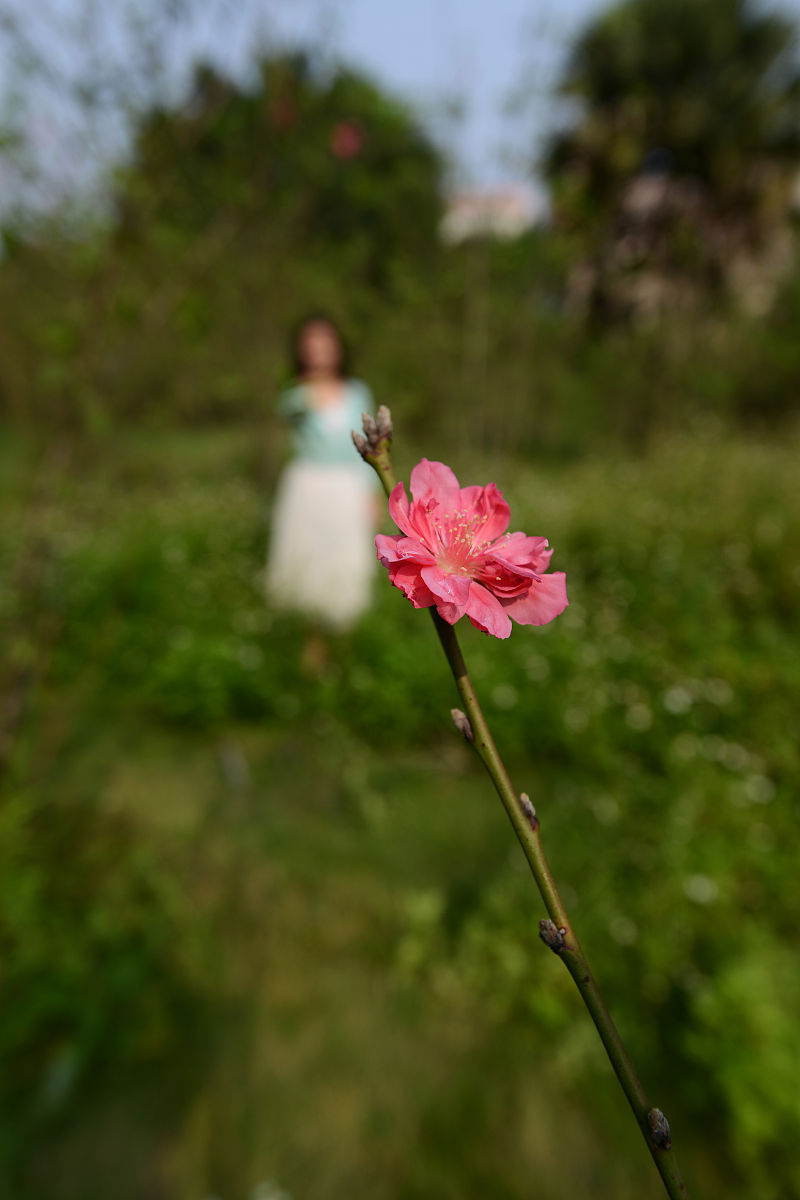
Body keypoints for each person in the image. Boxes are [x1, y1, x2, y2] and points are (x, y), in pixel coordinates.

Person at [265, 314, 378, 632]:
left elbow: (369, 447)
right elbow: (286, 409)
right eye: (311, 344)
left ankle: (342, 634)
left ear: (338, 348)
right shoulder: (296, 394)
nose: (319, 351)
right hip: (307, 486)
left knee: (344, 558)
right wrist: (309, 391)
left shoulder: (357, 392)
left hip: (347, 486)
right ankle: (306, 632)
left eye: (325, 343)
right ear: (301, 351)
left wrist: (372, 494)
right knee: (308, 558)